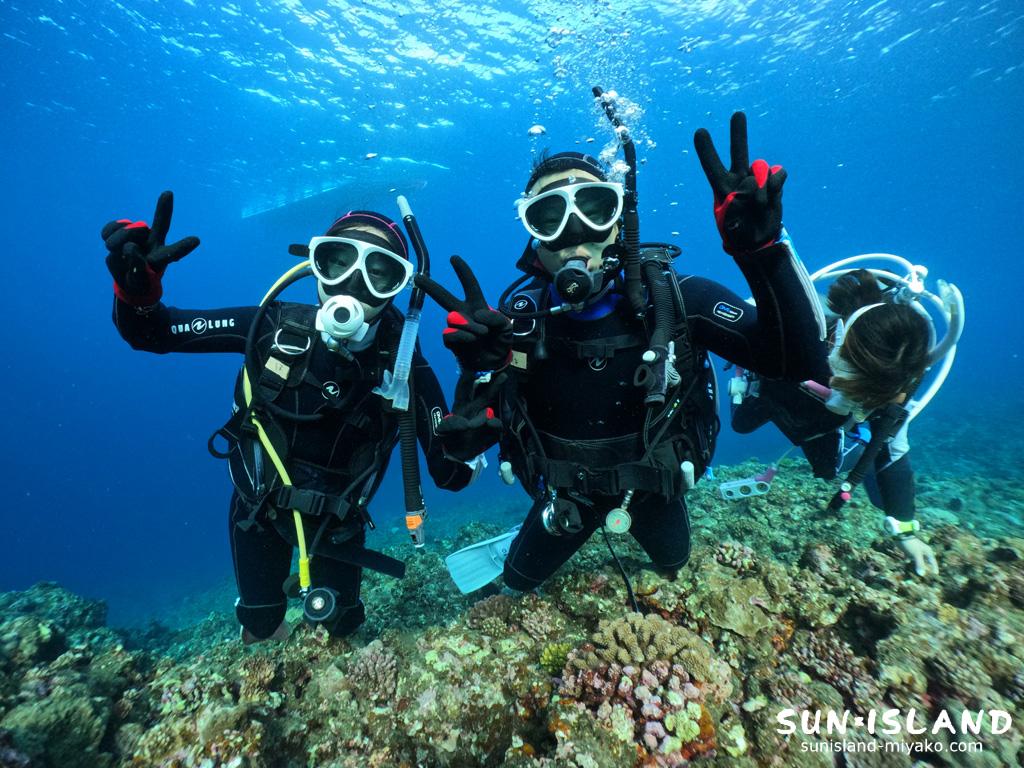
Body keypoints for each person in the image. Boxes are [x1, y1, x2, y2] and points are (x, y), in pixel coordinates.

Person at [422, 106, 829, 593]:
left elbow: (798, 362)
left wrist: (764, 252)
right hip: (564, 495)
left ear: (620, 220)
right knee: (517, 581)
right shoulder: (516, 325)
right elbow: (480, 426)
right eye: (549, 216)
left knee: (674, 563)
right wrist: (475, 382)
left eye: (594, 207)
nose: (575, 233)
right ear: (533, 238)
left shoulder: (678, 303)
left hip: (651, 490)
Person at [103, 191, 474, 642]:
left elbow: (451, 475)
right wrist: (136, 295)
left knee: (342, 631)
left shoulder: (404, 366)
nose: (354, 284)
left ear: (399, 286)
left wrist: (477, 384)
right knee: (260, 626)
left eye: (380, 272)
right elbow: (153, 332)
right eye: (338, 260)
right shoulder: (270, 327)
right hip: (257, 512)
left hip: (339, 527)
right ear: (315, 264)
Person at [731, 265, 964, 577]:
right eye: (848, 380)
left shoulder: (895, 380)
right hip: (776, 389)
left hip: (817, 425)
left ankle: (855, 455)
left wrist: (906, 532)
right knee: (741, 423)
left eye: (865, 395)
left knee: (838, 473)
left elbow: (893, 448)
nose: (850, 399)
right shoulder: (803, 327)